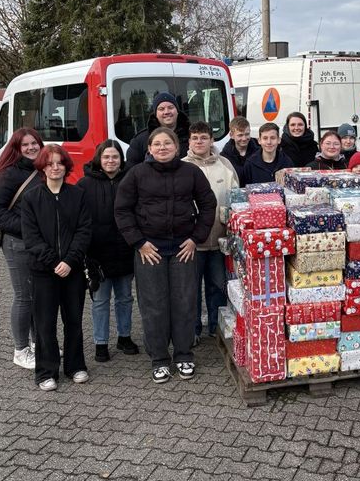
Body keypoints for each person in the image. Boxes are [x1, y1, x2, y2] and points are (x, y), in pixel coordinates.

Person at [115, 128, 217, 383]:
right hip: (150, 250)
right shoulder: (136, 174)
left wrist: (196, 238)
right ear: (149, 149)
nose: (162, 148)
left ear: (177, 147)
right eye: (157, 144)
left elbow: (208, 204)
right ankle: (159, 358)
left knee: (184, 303)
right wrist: (139, 243)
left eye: (167, 143)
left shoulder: (191, 172)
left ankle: (183, 355)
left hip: (183, 248)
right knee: (153, 305)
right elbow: (122, 210)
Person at [21, 145, 92, 391]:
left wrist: (70, 261)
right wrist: (53, 262)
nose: (55, 167)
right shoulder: (31, 198)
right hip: (43, 271)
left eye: (59, 163)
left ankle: (75, 366)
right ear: (42, 167)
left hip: (72, 270)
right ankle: (46, 371)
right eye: (49, 163)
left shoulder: (78, 194)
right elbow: (31, 237)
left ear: (66, 166)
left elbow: (84, 231)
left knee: (73, 320)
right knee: (45, 323)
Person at [0, 128, 44, 369]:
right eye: (25, 145)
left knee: (37, 296)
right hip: (17, 243)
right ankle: (21, 350)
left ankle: (39, 344)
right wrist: (25, 228)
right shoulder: (8, 174)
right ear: (16, 149)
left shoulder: (40, 169)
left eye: (34, 143)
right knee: (23, 297)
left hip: (37, 243)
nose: (31, 148)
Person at [77, 140, 138, 363]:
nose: (111, 161)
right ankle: (100, 343)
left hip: (124, 249)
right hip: (97, 254)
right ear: (98, 159)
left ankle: (124, 337)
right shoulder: (84, 184)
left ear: (121, 159)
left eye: (115, 157)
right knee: (100, 301)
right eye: (106, 157)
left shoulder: (131, 180)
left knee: (125, 298)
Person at [183, 121, 239, 342]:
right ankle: (193, 330)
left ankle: (216, 328)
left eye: (203, 138)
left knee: (217, 286)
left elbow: (236, 198)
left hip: (219, 240)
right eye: (195, 138)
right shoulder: (182, 166)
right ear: (189, 141)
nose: (199, 142)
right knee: (191, 290)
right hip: (191, 244)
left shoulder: (225, 164)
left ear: (211, 140)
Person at [125, 92, 190, 168]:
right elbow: (131, 171)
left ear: (177, 111)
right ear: (155, 114)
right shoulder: (140, 141)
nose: (166, 112)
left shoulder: (193, 136)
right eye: (161, 109)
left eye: (171, 107)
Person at [220, 116, 259, 185]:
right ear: (232, 135)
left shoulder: (260, 152)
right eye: (240, 135)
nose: (244, 138)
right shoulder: (224, 157)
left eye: (247, 134)